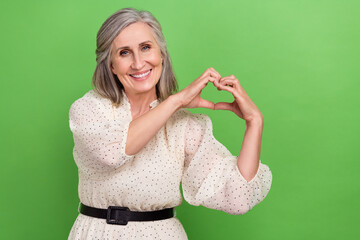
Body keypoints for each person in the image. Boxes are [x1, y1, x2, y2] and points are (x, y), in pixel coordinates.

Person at [68, 7, 272, 240]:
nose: (138, 63)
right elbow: (112, 152)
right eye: (124, 53)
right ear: (112, 65)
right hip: (96, 233)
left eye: (146, 48)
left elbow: (238, 198)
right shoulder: (90, 110)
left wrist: (254, 122)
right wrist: (176, 101)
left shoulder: (184, 126)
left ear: (162, 55)